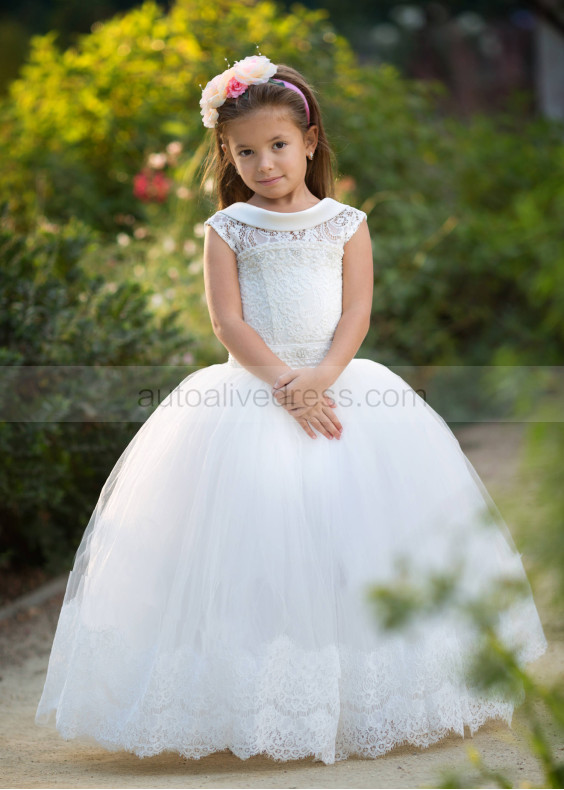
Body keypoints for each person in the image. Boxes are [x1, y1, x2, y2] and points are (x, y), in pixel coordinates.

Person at [35, 53, 548, 765]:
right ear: (227, 154)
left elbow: (358, 309)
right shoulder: (228, 229)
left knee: (357, 541)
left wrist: (324, 378)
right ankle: (254, 696)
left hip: (340, 387)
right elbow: (228, 324)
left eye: (278, 145)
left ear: (310, 142)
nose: (264, 162)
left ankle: (366, 687)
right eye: (246, 151)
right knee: (255, 542)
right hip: (252, 391)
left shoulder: (345, 222)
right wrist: (286, 384)